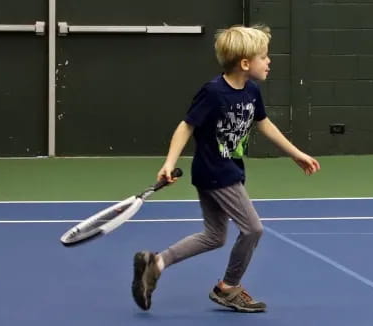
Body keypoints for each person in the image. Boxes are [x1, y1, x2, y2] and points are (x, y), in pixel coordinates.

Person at [131, 24, 320, 313]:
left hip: (222, 170)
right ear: (245, 63)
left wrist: (295, 154)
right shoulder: (213, 92)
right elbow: (187, 125)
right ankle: (228, 288)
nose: (269, 62)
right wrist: (169, 162)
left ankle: (155, 264)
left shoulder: (252, 91)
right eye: (264, 57)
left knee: (214, 236)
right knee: (253, 229)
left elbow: (263, 123)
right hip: (218, 173)